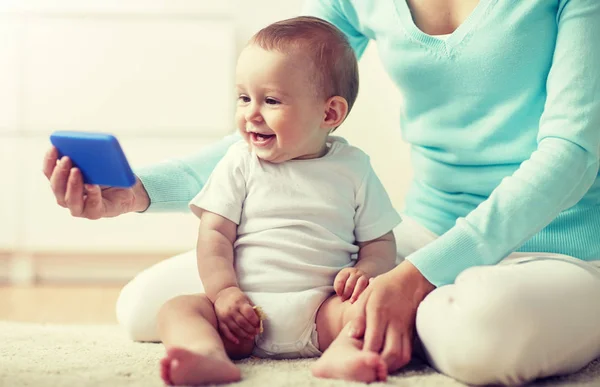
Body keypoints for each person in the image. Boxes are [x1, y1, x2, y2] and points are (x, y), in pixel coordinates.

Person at [43, 0, 600, 386]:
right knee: (145, 306)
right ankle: (382, 326)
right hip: (428, 230)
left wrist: (414, 278)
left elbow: (571, 157)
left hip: (562, 244)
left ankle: (386, 326)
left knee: (481, 338)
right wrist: (139, 192)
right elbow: (280, 117)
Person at [155, 17, 400, 386]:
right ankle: (206, 354)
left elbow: (380, 242)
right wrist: (223, 294)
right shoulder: (239, 162)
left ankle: (342, 353)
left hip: (322, 310)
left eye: (270, 100)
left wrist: (366, 271)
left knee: (372, 309)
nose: (251, 113)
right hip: (243, 314)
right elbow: (214, 235)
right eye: (243, 98)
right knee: (177, 309)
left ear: (329, 113)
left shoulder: (354, 168)